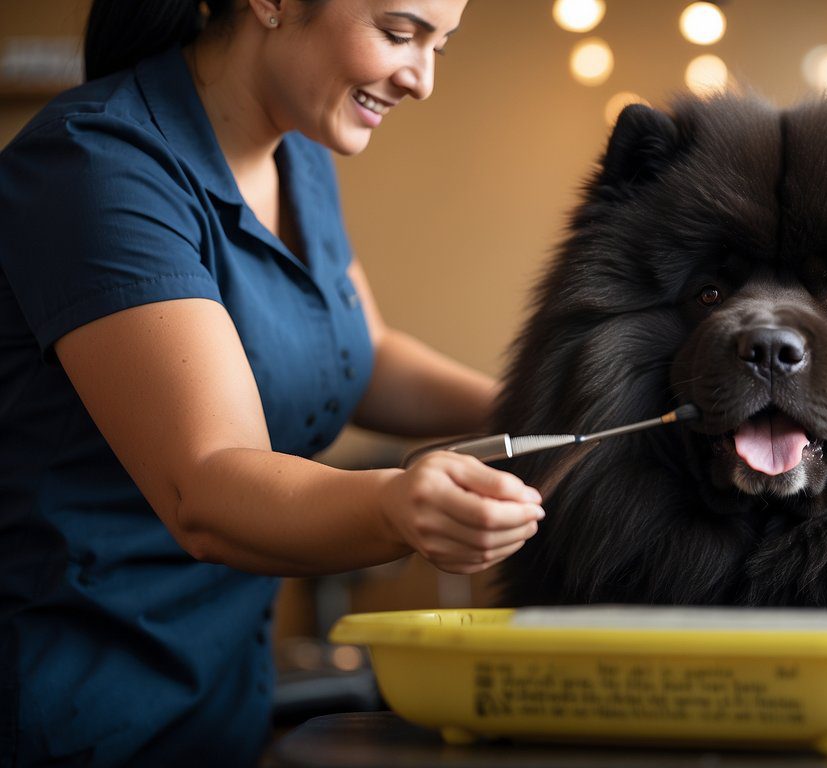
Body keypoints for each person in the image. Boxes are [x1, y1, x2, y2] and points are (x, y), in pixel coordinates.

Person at [0, 0, 545, 765]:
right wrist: (395, 505)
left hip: (221, 691)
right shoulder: (95, 165)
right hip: (79, 698)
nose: (421, 79)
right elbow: (207, 487)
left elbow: (360, 353)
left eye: (440, 48)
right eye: (398, 33)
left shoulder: (300, 154)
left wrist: (545, 405)